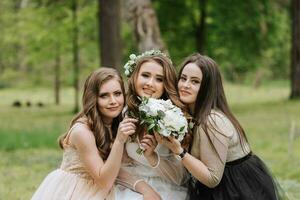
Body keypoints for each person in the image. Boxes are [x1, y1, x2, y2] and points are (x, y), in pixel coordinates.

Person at [156, 53, 286, 200]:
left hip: (237, 188)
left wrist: (178, 151)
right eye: (183, 78)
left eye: (195, 81)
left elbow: (212, 178)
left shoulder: (212, 121)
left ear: (207, 87)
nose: (185, 85)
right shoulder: (189, 115)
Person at [31, 68, 137, 200]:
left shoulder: (118, 123)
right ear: (93, 98)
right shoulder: (82, 132)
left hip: (104, 189)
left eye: (117, 93)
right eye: (104, 95)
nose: (113, 101)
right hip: (76, 191)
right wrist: (119, 141)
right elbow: (104, 181)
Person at [114, 50, 189, 200]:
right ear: (135, 77)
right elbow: (114, 165)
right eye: (145, 75)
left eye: (159, 79)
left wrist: (152, 156)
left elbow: (181, 177)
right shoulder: (122, 113)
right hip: (132, 184)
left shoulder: (174, 118)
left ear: (166, 85)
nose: (150, 83)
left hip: (166, 186)